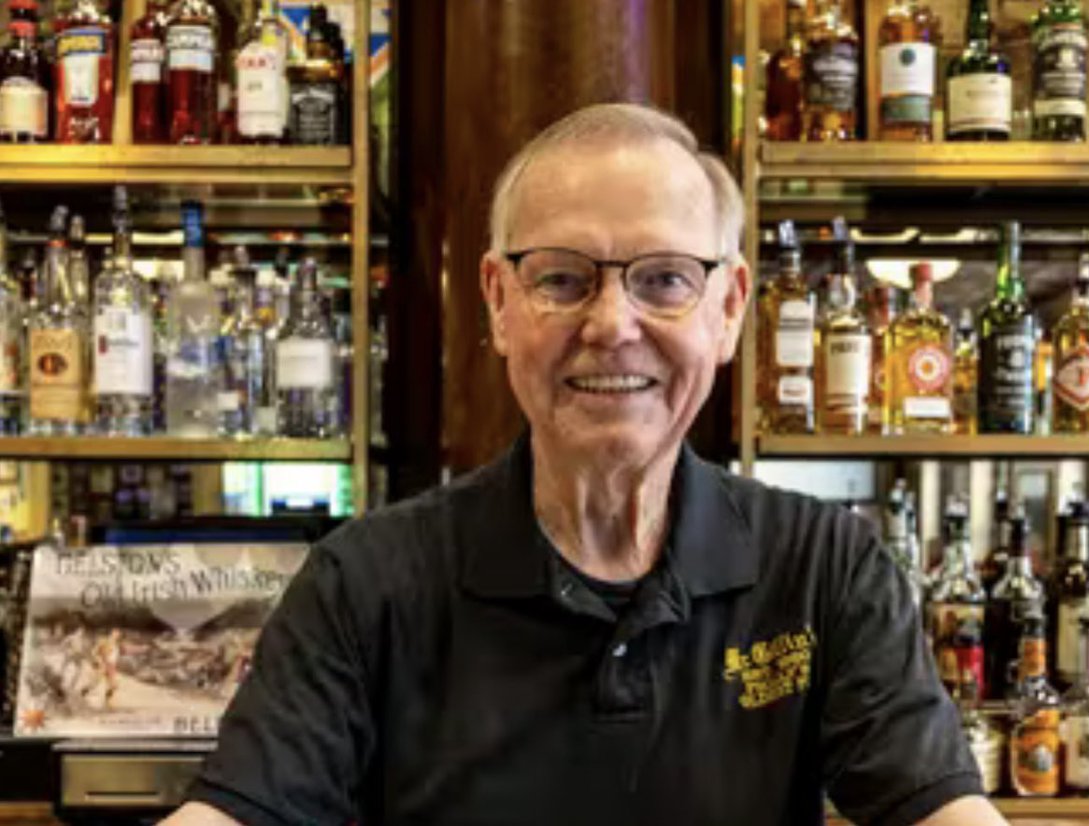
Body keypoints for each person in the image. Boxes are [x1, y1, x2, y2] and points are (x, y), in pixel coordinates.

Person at [164, 104, 1007, 826]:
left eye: (665, 280)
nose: (612, 323)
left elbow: (939, 808)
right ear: (498, 302)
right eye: (562, 279)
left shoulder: (824, 568)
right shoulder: (367, 581)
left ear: (730, 308)